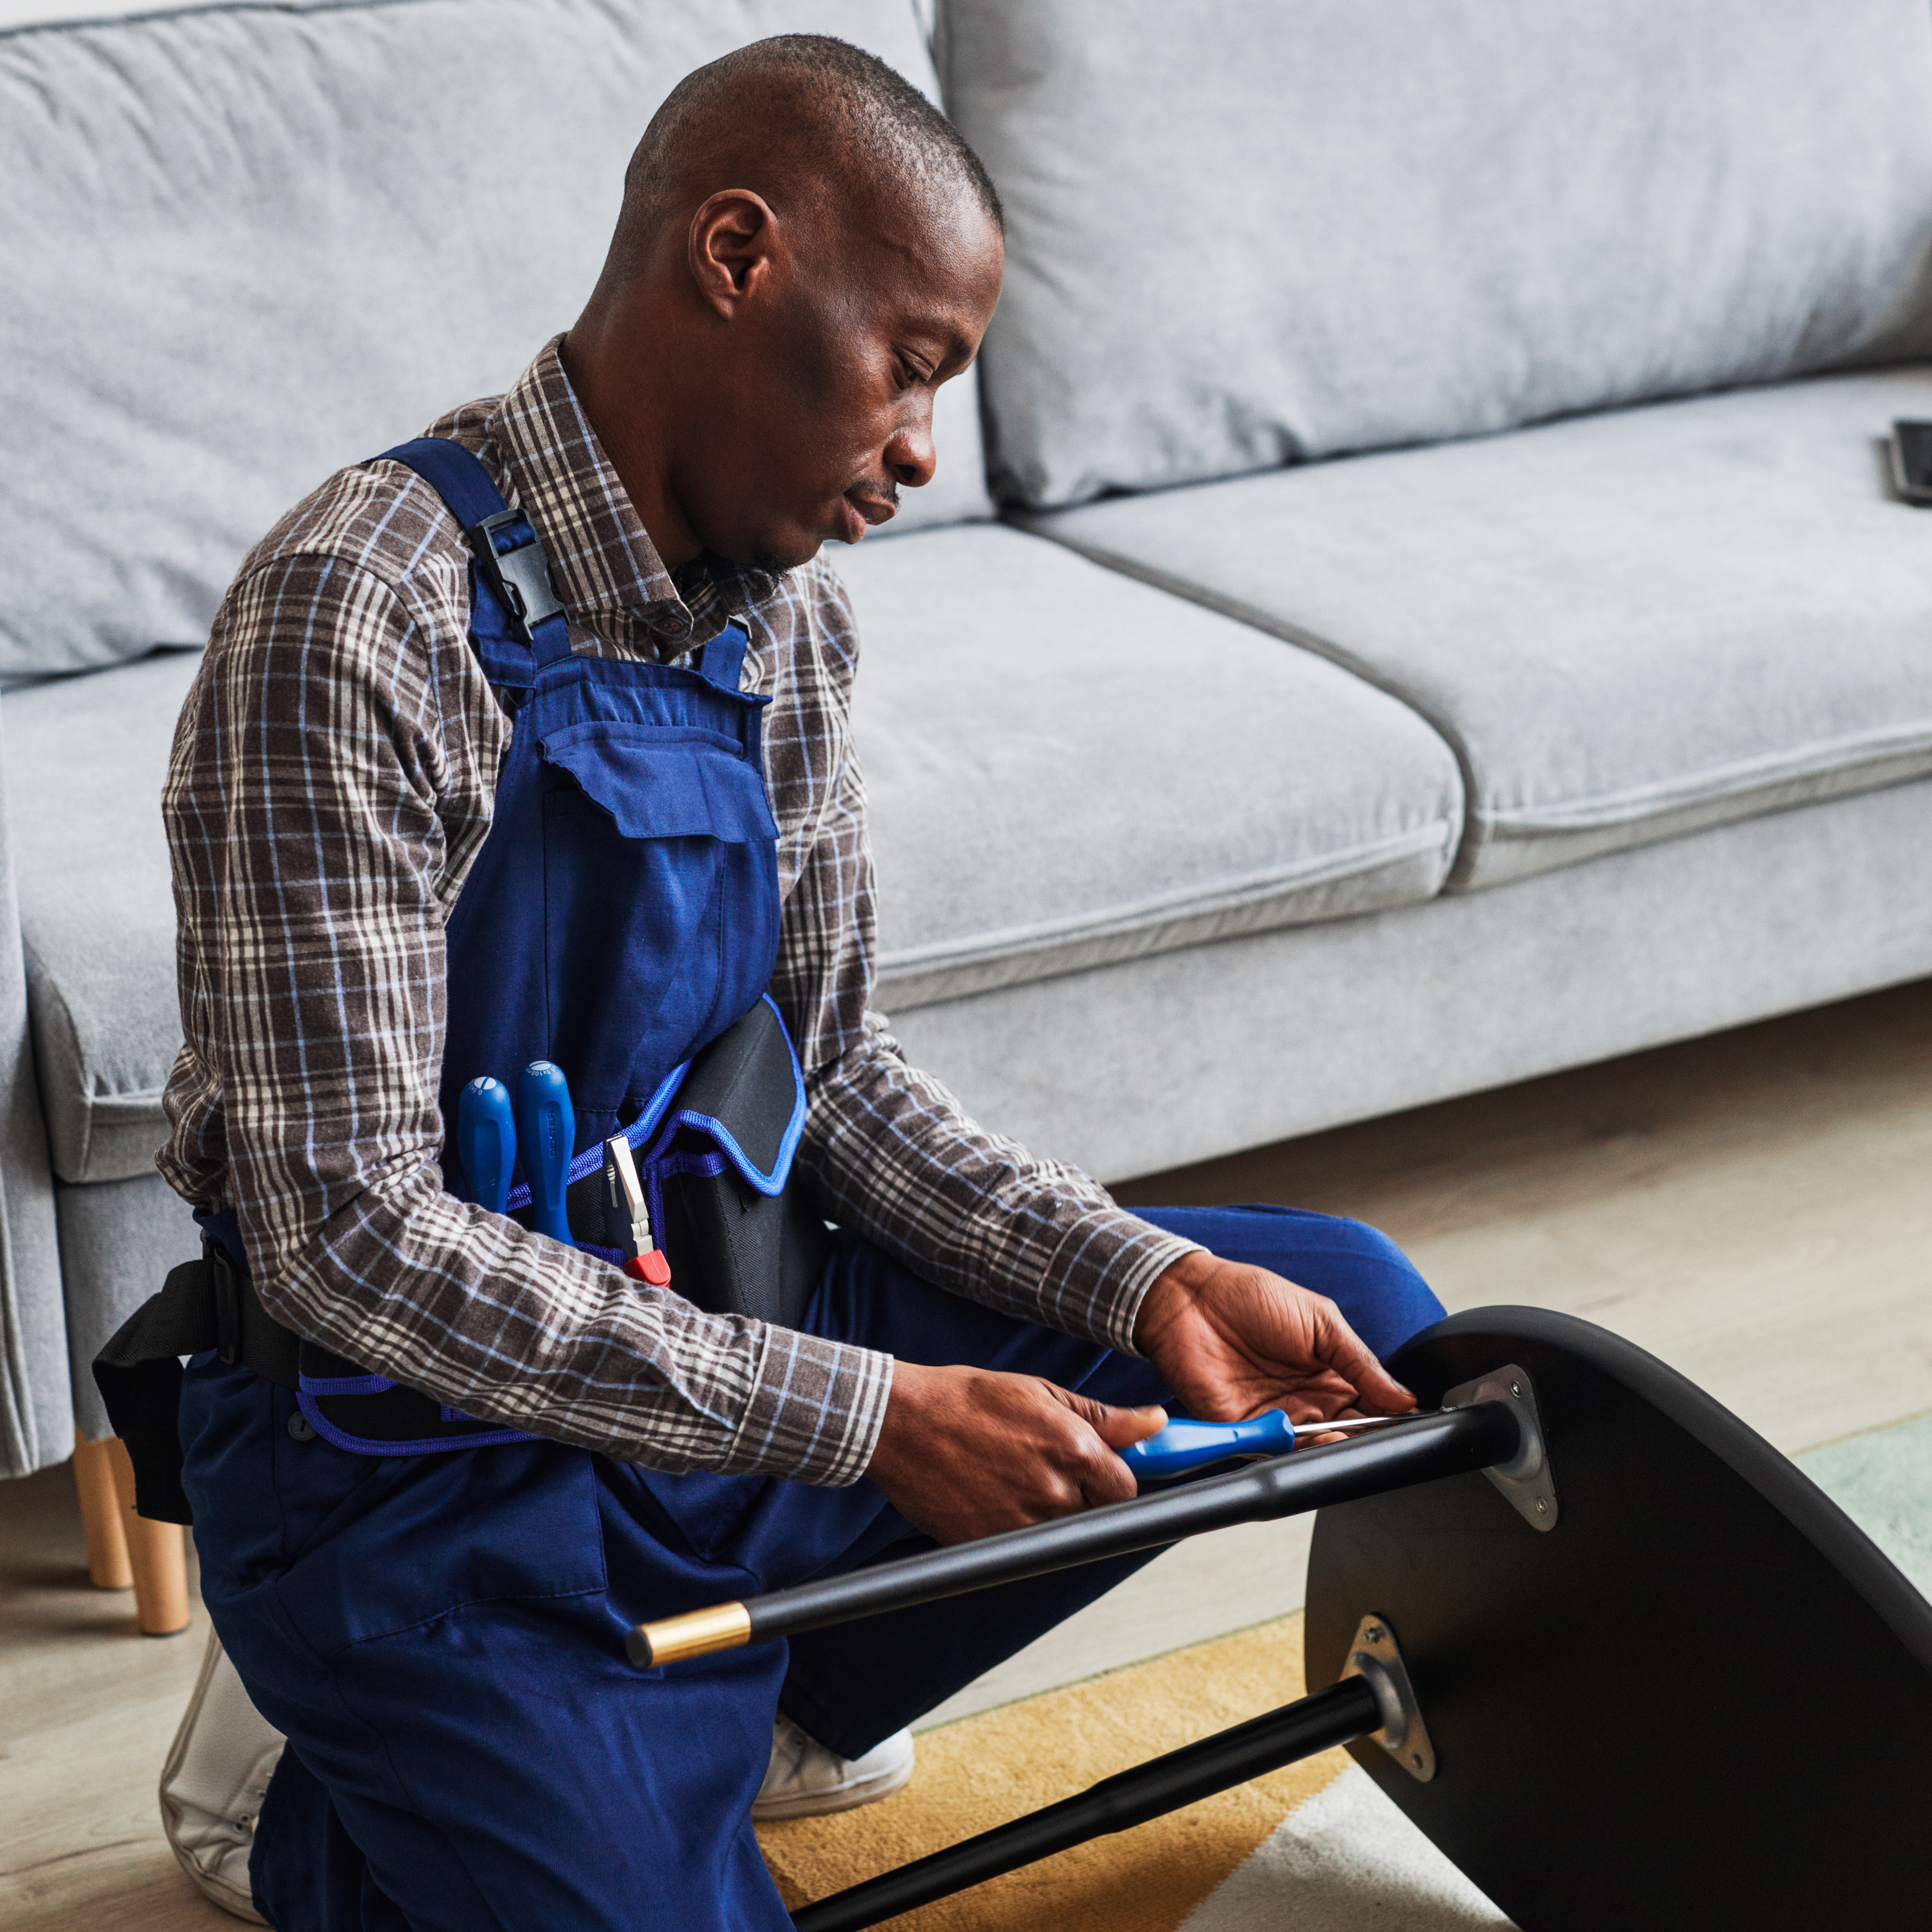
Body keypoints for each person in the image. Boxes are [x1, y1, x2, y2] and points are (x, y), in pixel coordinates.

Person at [147, 33, 1445, 1932]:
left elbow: (832, 1080)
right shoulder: (355, 617)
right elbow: (346, 1236)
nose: (921, 446)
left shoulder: (784, 627)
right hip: (409, 1463)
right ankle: (306, 1784)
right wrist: (872, 1418)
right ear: (737, 254)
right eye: (908, 363)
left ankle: (724, 1706)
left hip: (718, 1355)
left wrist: (1143, 1278)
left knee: (1347, 1313)